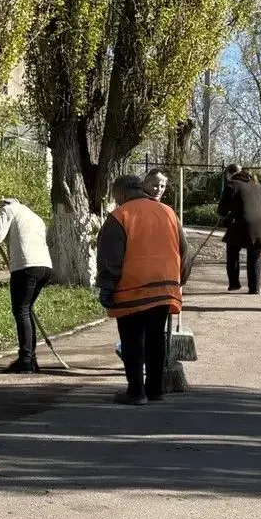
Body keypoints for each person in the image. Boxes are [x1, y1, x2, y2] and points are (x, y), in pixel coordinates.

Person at [96, 173, 188, 405]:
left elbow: (110, 256)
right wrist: (180, 279)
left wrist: (107, 286)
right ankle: (155, 389)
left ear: (122, 193)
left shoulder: (120, 215)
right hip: (165, 287)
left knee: (132, 341)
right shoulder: (168, 212)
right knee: (156, 339)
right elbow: (183, 249)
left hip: (132, 288)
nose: (117, 201)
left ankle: (136, 392)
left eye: (116, 197)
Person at [0, 196, 52, 373]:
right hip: (44, 266)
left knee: (21, 311)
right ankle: (30, 359)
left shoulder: (6, 209)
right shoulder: (33, 215)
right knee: (26, 309)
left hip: (25, 266)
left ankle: (26, 360)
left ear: (1, 205)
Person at [218, 166, 261, 293]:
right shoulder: (256, 183)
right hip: (259, 223)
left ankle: (234, 283)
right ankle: (254, 288)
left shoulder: (233, 184)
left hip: (241, 222)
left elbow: (221, 209)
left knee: (232, 250)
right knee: (255, 256)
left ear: (229, 174)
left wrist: (226, 215)